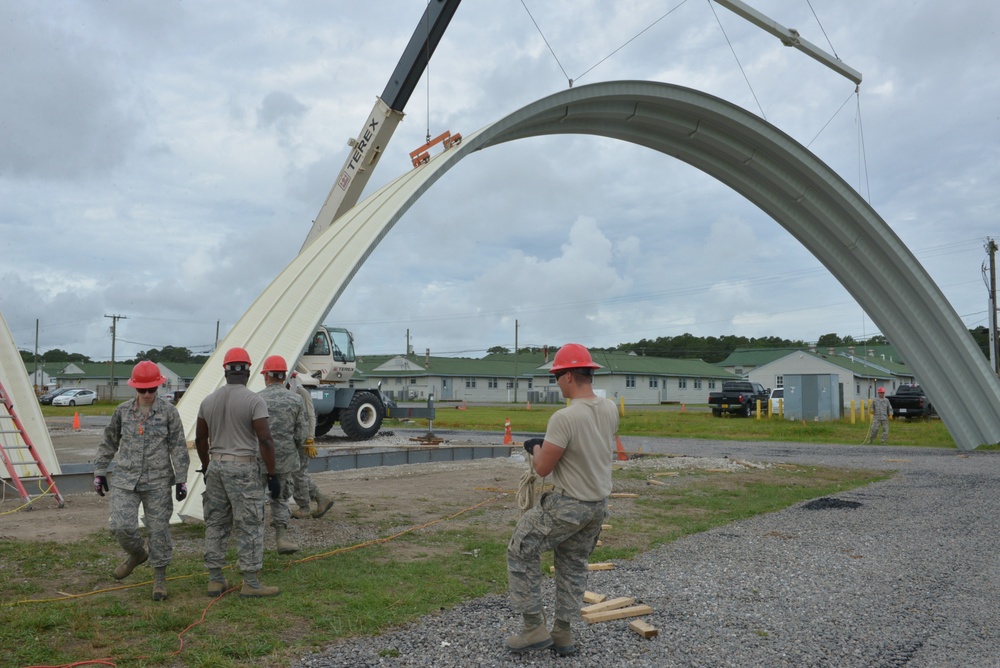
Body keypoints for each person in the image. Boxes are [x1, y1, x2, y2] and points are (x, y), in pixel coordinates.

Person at [505, 343, 619, 656]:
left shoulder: (564, 417)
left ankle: (532, 628)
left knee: (521, 548)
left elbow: (543, 468)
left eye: (557, 376)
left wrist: (535, 447)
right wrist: (551, 445)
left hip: (569, 504)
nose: (557, 382)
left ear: (568, 376)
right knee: (573, 566)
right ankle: (563, 634)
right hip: (597, 507)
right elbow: (585, 447)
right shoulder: (608, 409)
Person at [93, 361, 189, 601]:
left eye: (152, 389)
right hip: (126, 480)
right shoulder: (122, 411)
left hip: (157, 482)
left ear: (159, 387)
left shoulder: (169, 412)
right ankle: (136, 555)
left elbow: (178, 447)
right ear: (134, 388)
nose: (147, 394)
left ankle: (159, 580)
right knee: (120, 525)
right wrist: (99, 471)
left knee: (158, 532)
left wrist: (181, 480)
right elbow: (108, 442)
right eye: (142, 390)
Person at [195, 347, 282, 598]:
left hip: (216, 465)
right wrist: (272, 475)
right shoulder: (254, 400)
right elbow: (265, 440)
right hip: (243, 467)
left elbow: (201, 438)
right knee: (250, 523)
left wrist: (207, 466)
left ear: (225, 371)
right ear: (248, 370)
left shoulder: (208, 401)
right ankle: (251, 583)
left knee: (216, 522)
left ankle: (215, 579)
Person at [257, 356, 308, 553]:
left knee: (256, 500)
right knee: (280, 498)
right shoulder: (295, 399)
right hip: (286, 460)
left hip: (259, 459)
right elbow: (301, 435)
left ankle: (254, 545)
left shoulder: (256, 398)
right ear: (284, 376)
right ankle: (281, 539)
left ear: (266, 376)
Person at [287, 372, 334, 519]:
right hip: (292, 439)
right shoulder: (286, 392)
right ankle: (320, 498)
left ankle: (305, 508)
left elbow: (311, 415)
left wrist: (310, 439)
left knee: (298, 473)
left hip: (302, 439)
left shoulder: (302, 393)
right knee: (298, 473)